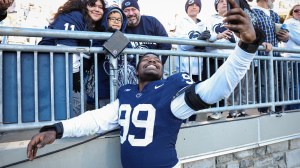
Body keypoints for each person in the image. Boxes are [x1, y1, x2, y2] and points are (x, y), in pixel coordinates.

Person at [27, 0, 265, 167]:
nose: (151, 59)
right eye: (146, 58)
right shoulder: (127, 93)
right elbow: (96, 119)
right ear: (137, 69)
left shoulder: (171, 95)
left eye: (155, 59)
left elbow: (216, 88)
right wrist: (57, 130)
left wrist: (246, 48)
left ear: (162, 70)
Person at [38, 0, 105, 114]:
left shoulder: (91, 24)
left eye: (101, 7)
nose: (97, 9)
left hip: (69, 73)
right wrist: (74, 76)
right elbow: (65, 50)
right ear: (84, 5)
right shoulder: (73, 16)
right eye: (92, 5)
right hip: (57, 71)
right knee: (74, 109)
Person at [86, 6, 137, 109]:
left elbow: (132, 58)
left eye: (119, 20)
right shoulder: (99, 36)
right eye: (112, 19)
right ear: (105, 20)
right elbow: (95, 55)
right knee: (104, 113)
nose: (116, 22)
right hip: (103, 86)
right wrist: (114, 40)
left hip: (122, 85)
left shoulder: (125, 38)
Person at [174, 0, 211, 121]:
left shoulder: (204, 24)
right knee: (183, 96)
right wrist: (198, 41)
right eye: (190, 5)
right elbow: (183, 44)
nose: (194, 7)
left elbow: (207, 46)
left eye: (196, 5)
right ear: (186, 8)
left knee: (194, 96)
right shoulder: (181, 22)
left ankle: (192, 120)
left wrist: (204, 43)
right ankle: (182, 121)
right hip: (184, 67)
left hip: (198, 67)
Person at [251, 0, 289, 113]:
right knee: (263, 82)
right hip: (262, 54)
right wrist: (260, 43)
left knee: (283, 81)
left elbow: (281, 36)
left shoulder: (274, 14)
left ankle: (277, 108)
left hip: (276, 53)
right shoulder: (253, 12)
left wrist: (286, 36)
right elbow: (250, 33)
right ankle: (263, 109)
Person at [121, 0, 172, 64]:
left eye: (133, 9)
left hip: (152, 68)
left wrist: (155, 64)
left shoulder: (152, 22)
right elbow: (113, 50)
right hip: (130, 71)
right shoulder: (120, 27)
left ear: (139, 11)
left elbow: (166, 44)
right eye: (126, 11)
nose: (131, 13)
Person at [281, 4, 300, 110]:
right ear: (292, 12)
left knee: (295, 84)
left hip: (295, 57)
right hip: (293, 57)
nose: (299, 12)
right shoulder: (290, 22)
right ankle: (294, 108)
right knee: (295, 84)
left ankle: (290, 107)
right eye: (296, 10)